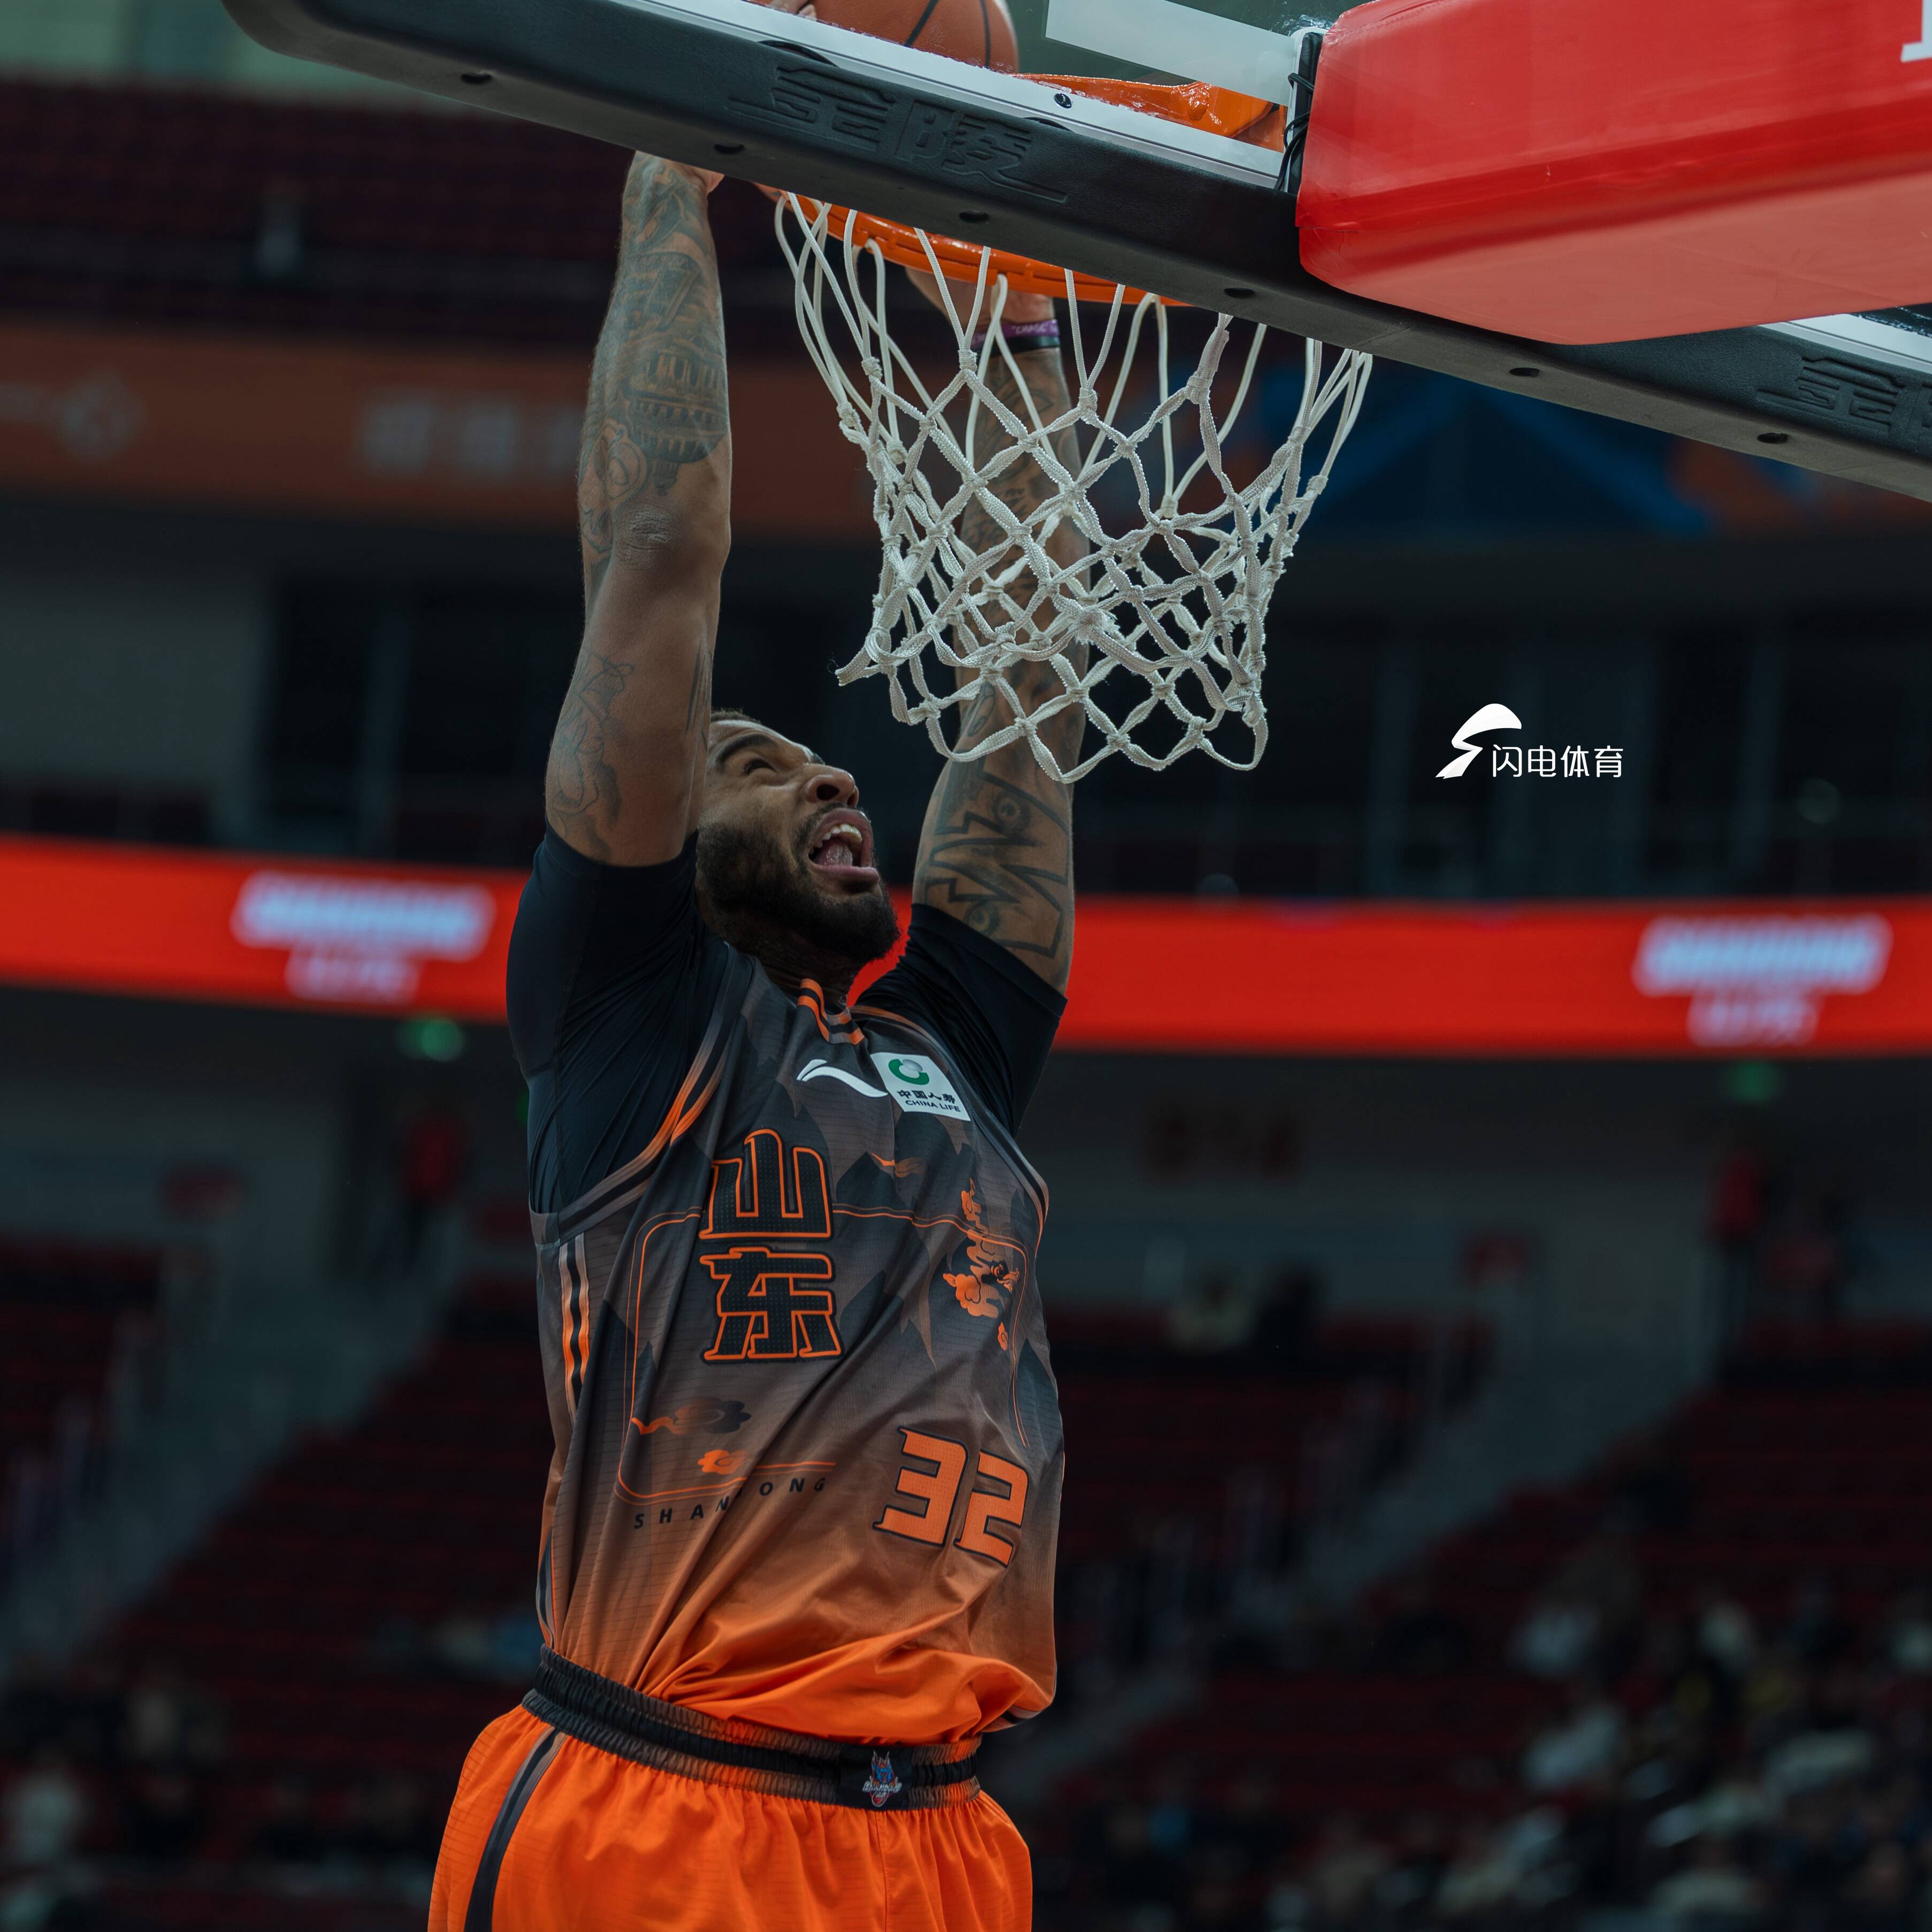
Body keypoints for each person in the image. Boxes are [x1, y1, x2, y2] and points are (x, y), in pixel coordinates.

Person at [429, 8, 1089, 1925]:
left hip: (941, 1839)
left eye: (821, 757)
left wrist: (1020, 315)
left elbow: (1029, 677)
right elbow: (659, 557)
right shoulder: (630, 1014)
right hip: (660, 1802)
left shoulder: (946, 1047)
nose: (826, 772)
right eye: (753, 757)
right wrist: (675, 154)